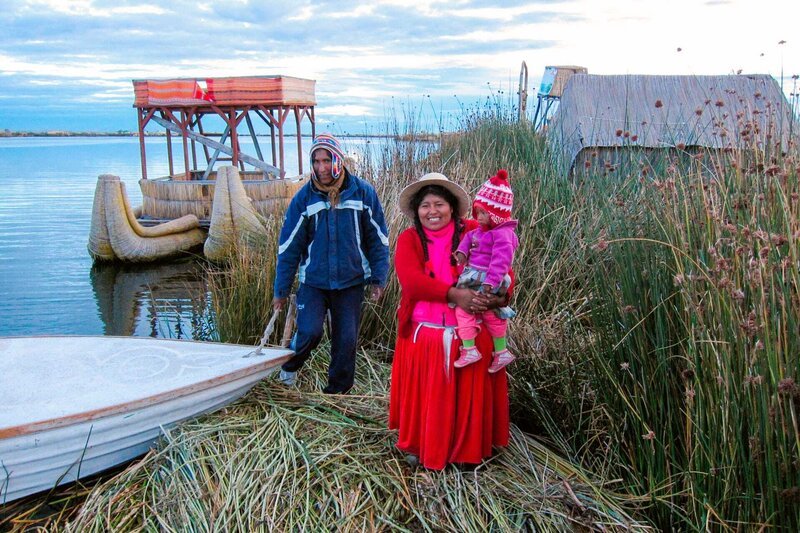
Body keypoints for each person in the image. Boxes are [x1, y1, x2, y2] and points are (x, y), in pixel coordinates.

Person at [388, 172, 511, 470]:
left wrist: (500, 297)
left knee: (468, 397)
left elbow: (504, 265)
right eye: (425, 205)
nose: (432, 211)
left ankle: (467, 451)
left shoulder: (476, 230)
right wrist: (455, 295)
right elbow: (412, 282)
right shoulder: (409, 239)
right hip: (425, 334)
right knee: (429, 398)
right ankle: (421, 444)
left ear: (452, 207)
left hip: (471, 333)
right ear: (416, 211)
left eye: (439, 204)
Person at [273, 133, 389, 394]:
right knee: (310, 332)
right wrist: (281, 290)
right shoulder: (304, 198)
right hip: (314, 281)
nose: (321, 167)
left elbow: (378, 239)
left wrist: (379, 278)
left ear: (338, 160)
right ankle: (288, 370)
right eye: (316, 161)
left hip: (351, 281)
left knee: (346, 341)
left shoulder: (362, 192)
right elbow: (289, 247)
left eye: (327, 160)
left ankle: (337, 393)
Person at [452, 169, 518, 373]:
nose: (478, 217)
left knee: (466, 309)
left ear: (496, 215)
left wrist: (492, 282)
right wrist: (462, 253)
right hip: (477, 275)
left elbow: (501, 261)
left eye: (483, 213)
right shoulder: (480, 231)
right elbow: (468, 239)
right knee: (490, 313)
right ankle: (500, 352)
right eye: (477, 212)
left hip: (485, 278)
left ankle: (471, 349)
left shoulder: (503, 235)